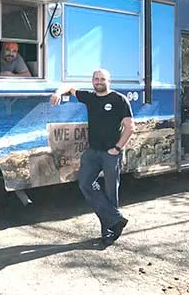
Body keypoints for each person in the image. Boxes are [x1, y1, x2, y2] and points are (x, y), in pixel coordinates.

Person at [50, 69, 135, 247]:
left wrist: (117, 148)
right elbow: (70, 87)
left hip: (111, 153)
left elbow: (129, 127)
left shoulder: (119, 100)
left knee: (111, 192)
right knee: (85, 183)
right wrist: (58, 92)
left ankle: (108, 233)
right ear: (92, 81)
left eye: (102, 79)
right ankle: (116, 219)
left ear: (109, 80)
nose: (98, 82)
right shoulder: (90, 97)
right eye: (96, 79)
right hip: (92, 151)